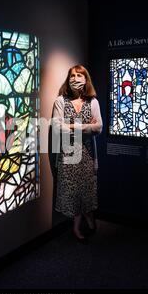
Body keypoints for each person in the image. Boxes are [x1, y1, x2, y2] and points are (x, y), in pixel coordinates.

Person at [52, 65, 103, 242]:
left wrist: (73, 126)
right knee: (73, 192)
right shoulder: (60, 101)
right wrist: (86, 126)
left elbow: (99, 128)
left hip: (88, 154)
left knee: (87, 190)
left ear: (86, 78)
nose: (75, 78)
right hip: (68, 155)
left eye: (79, 75)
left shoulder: (93, 102)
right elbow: (57, 127)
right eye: (72, 75)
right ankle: (76, 227)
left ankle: (89, 217)